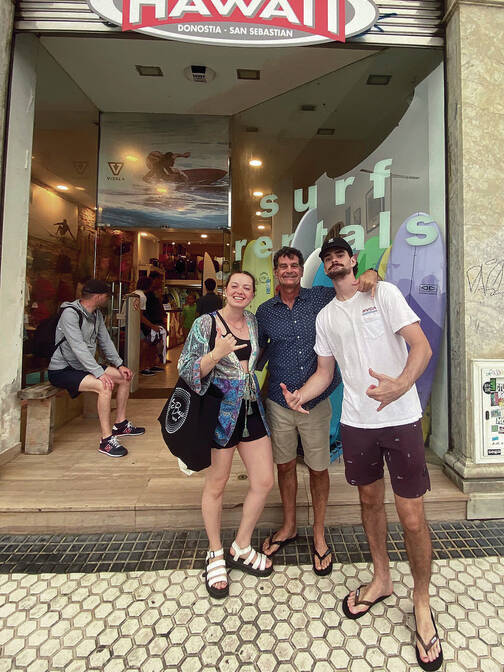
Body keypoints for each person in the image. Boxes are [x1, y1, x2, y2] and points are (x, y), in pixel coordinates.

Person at [281, 236, 442, 672]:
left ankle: (422, 602)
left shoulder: (383, 292)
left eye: (342, 254)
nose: (334, 259)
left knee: (412, 516)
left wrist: (402, 384)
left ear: (354, 261)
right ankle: (382, 578)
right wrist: (301, 396)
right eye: (328, 255)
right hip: (357, 424)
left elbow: (421, 346)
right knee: (369, 503)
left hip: (402, 419)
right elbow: (325, 372)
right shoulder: (326, 316)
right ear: (325, 266)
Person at [256, 246, 378, 575]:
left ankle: (319, 533)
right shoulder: (265, 313)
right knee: (284, 468)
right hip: (279, 404)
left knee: (318, 469)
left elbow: (358, 286)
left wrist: (373, 274)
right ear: (276, 272)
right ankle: (290, 525)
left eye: (294, 265)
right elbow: (257, 354)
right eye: (283, 266)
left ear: (301, 270)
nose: (290, 270)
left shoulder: (322, 297)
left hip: (315, 402)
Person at [178, 271, 274, 599]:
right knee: (217, 484)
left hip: (252, 410)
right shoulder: (206, 324)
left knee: (263, 481)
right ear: (225, 289)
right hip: (221, 414)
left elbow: (256, 361)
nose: (241, 291)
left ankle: (241, 545)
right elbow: (186, 369)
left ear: (252, 294)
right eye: (235, 286)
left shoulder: (254, 322)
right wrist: (216, 354)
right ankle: (215, 552)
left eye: (247, 288)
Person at [47, 278, 145, 459]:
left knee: (124, 377)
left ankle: (120, 424)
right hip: (63, 369)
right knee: (104, 386)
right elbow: (78, 348)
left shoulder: (96, 315)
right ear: (98, 297)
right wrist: (99, 373)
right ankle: (106, 440)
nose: (108, 299)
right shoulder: (70, 314)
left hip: (85, 367)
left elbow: (105, 341)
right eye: (107, 296)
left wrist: (119, 364)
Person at [145, 271, 168, 368]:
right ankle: (150, 363)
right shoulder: (147, 294)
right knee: (151, 342)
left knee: (158, 341)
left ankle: (156, 360)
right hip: (151, 323)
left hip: (155, 322)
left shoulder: (155, 294)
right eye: (159, 280)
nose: (161, 282)